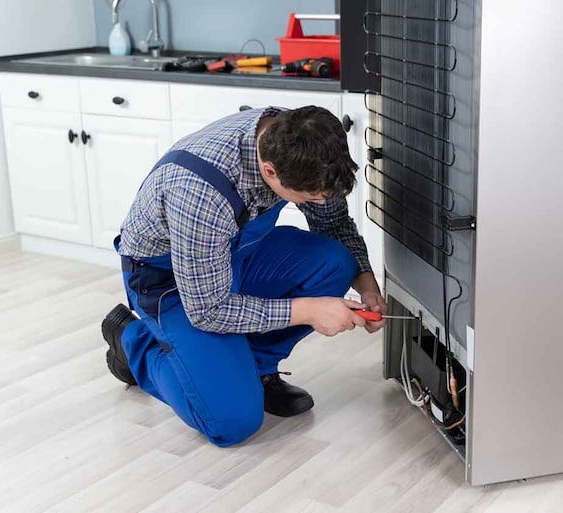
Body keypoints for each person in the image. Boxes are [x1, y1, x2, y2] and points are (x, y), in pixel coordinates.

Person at [100, 106, 387, 446]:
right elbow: (209, 310)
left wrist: (368, 286)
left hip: (237, 255)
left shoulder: (303, 140)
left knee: (336, 263)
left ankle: (256, 372)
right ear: (270, 170)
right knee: (232, 421)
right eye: (310, 198)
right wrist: (310, 311)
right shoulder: (199, 192)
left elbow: (334, 223)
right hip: (172, 284)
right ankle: (134, 344)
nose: (320, 202)